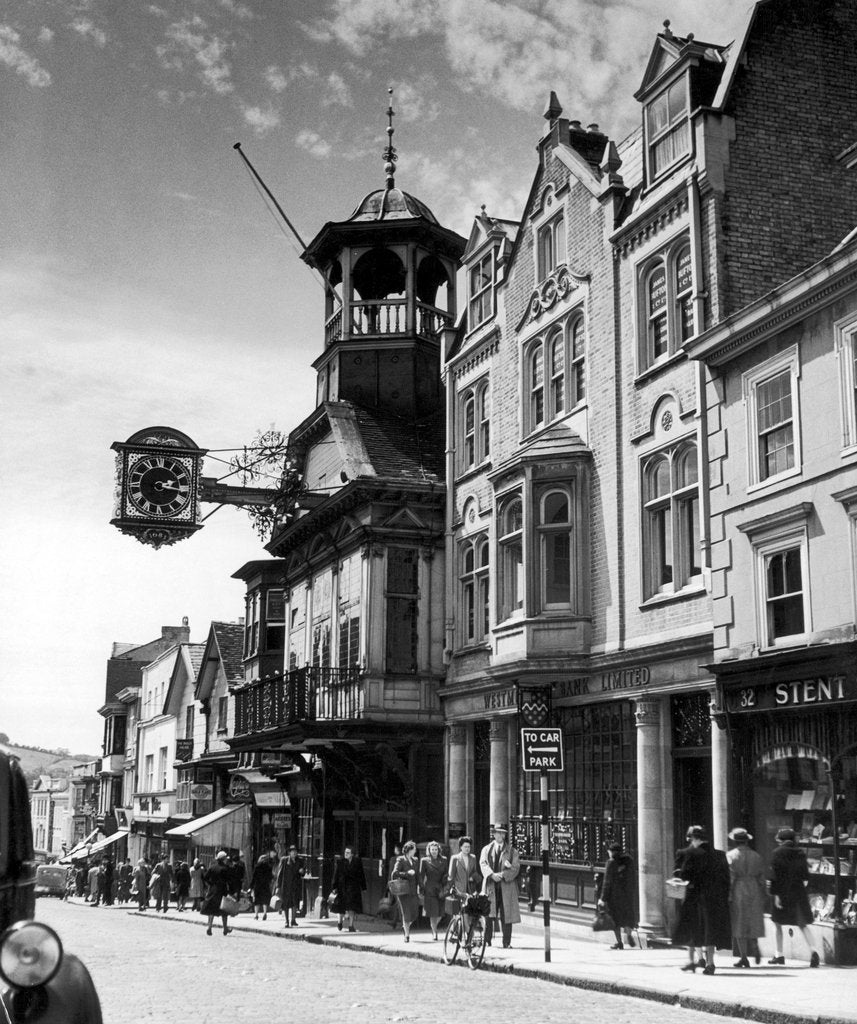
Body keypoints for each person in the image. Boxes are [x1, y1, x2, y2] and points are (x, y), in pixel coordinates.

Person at [672, 825, 731, 975]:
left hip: (695, 897)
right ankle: (710, 962)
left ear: (694, 838)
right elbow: (726, 879)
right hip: (715, 899)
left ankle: (696, 959)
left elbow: (683, 876)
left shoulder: (690, 854)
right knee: (709, 930)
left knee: (694, 929)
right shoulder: (720, 855)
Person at [768, 827, 821, 967]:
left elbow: (774, 876)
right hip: (798, 893)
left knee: (777, 923)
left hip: (782, 892)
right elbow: (805, 876)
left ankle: (779, 955)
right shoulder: (800, 853)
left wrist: (776, 894)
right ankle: (814, 951)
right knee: (802, 924)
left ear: (781, 840)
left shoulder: (776, 853)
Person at [726, 826, 766, 968]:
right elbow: (762, 878)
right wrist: (762, 893)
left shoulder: (730, 856)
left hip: (739, 889)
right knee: (753, 919)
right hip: (754, 888)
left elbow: (730, 878)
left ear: (735, 842)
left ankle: (743, 956)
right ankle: (754, 941)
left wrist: (729, 895)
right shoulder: (756, 856)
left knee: (739, 922)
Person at [479, 823, 521, 949]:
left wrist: (502, 875)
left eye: (503, 833)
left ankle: (506, 942)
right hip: (491, 886)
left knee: (506, 914)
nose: (501, 835)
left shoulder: (512, 851)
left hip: (506, 887)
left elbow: (515, 868)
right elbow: (483, 864)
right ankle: (487, 940)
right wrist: (491, 875)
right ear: (494, 834)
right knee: (488, 913)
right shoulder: (486, 849)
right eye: (498, 832)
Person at [597, 841, 638, 950]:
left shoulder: (611, 862)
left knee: (615, 920)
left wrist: (602, 898)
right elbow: (633, 877)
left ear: (612, 852)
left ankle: (619, 942)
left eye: (609, 852)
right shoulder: (629, 861)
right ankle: (629, 935)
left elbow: (607, 882)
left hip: (615, 897)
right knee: (628, 917)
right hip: (628, 895)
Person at [331, 845, 366, 934]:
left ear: (352, 854)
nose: (346, 854)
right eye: (345, 852)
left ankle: (351, 925)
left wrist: (363, 887)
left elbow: (361, 874)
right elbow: (336, 874)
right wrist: (334, 887)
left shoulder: (357, 862)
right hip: (342, 887)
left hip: (353, 887)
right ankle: (339, 922)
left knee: (352, 907)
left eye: (348, 853)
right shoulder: (340, 862)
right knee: (341, 906)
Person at [201, 850, 237, 936]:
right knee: (224, 910)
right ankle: (225, 928)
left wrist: (210, 884)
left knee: (212, 910)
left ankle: (209, 927)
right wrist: (232, 891)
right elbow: (230, 881)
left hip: (212, 890)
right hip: (222, 890)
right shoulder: (226, 868)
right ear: (223, 859)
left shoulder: (212, 867)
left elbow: (205, 878)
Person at [390, 840, 420, 942]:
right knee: (406, 913)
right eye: (414, 849)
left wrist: (420, 887)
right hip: (404, 891)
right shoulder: (401, 859)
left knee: (415, 913)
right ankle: (407, 935)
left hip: (413, 890)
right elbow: (395, 873)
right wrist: (407, 873)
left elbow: (418, 876)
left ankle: (405, 925)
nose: (415, 851)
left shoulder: (415, 860)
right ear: (409, 850)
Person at [419, 840, 449, 940]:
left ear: (438, 850)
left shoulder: (444, 860)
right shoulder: (424, 861)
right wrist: (421, 888)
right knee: (433, 912)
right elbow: (421, 876)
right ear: (429, 850)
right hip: (430, 889)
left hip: (441, 889)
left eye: (436, 849)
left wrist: (446, 885)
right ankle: (434, 932)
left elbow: (447, 873)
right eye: (432, 849)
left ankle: (434, 927)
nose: (434, 851)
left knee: (441, 912)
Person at [446, 835, 481, 917]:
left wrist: (473, 877)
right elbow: (451, 875)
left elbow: (474, 871)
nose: (467, 849)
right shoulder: (455, 858)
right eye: (465, 847)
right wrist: (451, 888)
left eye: (468, 847)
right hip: (459, 889)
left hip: (470, 889)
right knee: (459, 914)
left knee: (469, 913)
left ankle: (467, 929)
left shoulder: (473, 858)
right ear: (461, 847)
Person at [276, 846, 304, 927]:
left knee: (295, 903)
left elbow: (303, 872)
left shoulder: (300, 861)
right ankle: (286, 921)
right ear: (289, 853)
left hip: (295, 885)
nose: (294, 853)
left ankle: (293, 920)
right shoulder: (284, 860)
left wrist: (302, 872)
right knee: (286, 904)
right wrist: (278, 886)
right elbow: (280, 874)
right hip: (286, 885)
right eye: (292, 851)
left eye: (295, 851)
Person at [250, 853, 273, 921]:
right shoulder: (269, 867)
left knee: (257, 901)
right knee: (265, 900)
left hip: (258, 885)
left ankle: (256, 915)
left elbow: (254, 877)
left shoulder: (257, 866)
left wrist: (251, 886)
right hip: (265, 885)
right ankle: (265, 913)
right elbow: (270, 877)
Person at [386, 843, 402, 931]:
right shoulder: (405, 858)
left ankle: (400, 922)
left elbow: (390, 873)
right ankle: (395, 921)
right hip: (403, 883)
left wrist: (388, 884)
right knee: (398, 903)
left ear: (396, 849)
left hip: (394, 883)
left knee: (398, 903)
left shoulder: (393, 859)